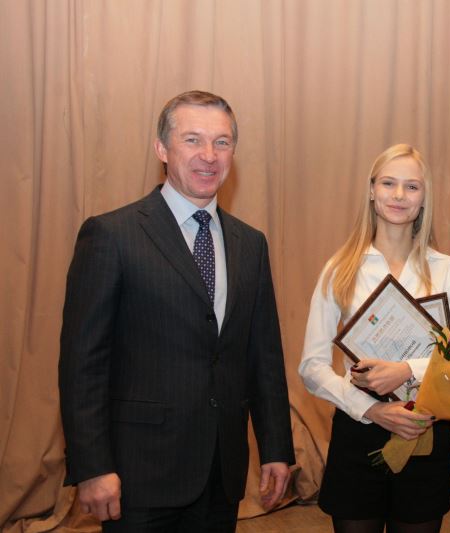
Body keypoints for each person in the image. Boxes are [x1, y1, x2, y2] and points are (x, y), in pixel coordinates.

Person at [58, 90, 295, 533]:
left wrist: (277, 448)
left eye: (222, 142)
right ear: (162, 149)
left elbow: (263, 356)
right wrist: (92, 466)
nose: (209, 155)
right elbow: (82, 365)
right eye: (192, 140)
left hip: (221, 472)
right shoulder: (112, 235)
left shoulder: (251, 243)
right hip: (139, 473)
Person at [299, 144, 450, 533]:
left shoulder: (446, 271)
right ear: (371, 190)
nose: (399, 195)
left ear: (424, 197)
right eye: (388, 183)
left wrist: (407, 370)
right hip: (358, 428)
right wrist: (372, 410)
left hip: (424, 428)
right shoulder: (340, 270)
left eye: (412, 186)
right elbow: (312, 367)